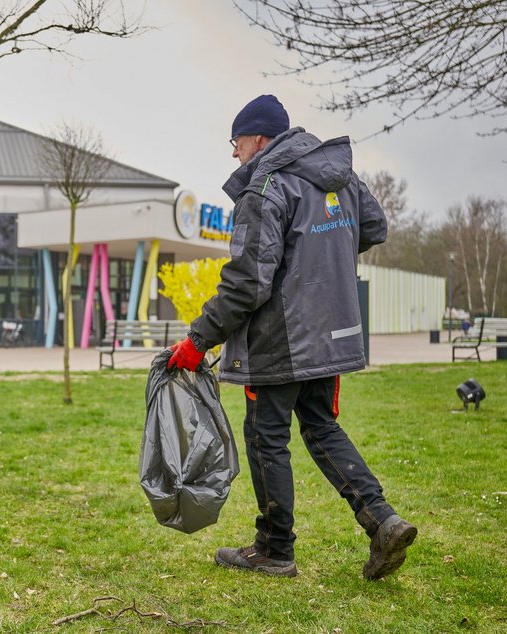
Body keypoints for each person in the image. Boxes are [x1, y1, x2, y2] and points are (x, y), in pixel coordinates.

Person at [167, 95, 415, 579]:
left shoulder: (265, 188)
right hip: (332, 332)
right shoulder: (340, 176)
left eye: (236, 142)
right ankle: (383, 520)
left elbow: (247, 282)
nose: (234, 153)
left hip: (280, 337)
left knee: (266, 436)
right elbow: (372, 226)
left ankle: (274, 548)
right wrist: (320, 255)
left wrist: (198, 339)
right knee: (321, 427)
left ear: (258, 138)